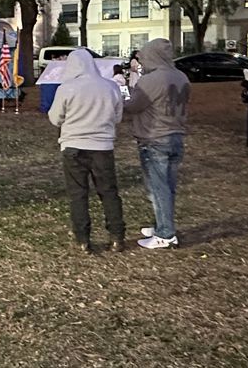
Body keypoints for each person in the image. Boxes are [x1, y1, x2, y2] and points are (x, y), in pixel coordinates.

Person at [48, 49, 125, 253]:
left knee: (78, 194)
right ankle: (117, 236)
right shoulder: (110, 87)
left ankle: (83, 239)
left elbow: (55, 118)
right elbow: (117, 117)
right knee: (109, 193)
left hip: (73, 146)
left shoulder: (67, 88)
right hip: (102, 147)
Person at [123, 38, 190, 249]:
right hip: (176, 135)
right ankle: (162, 224)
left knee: (158, 188)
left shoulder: (151, 80)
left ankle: (165, 234)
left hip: (154, 137)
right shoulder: (181, 77)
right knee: (167, 186)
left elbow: (134, 106)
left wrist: (121, 99)